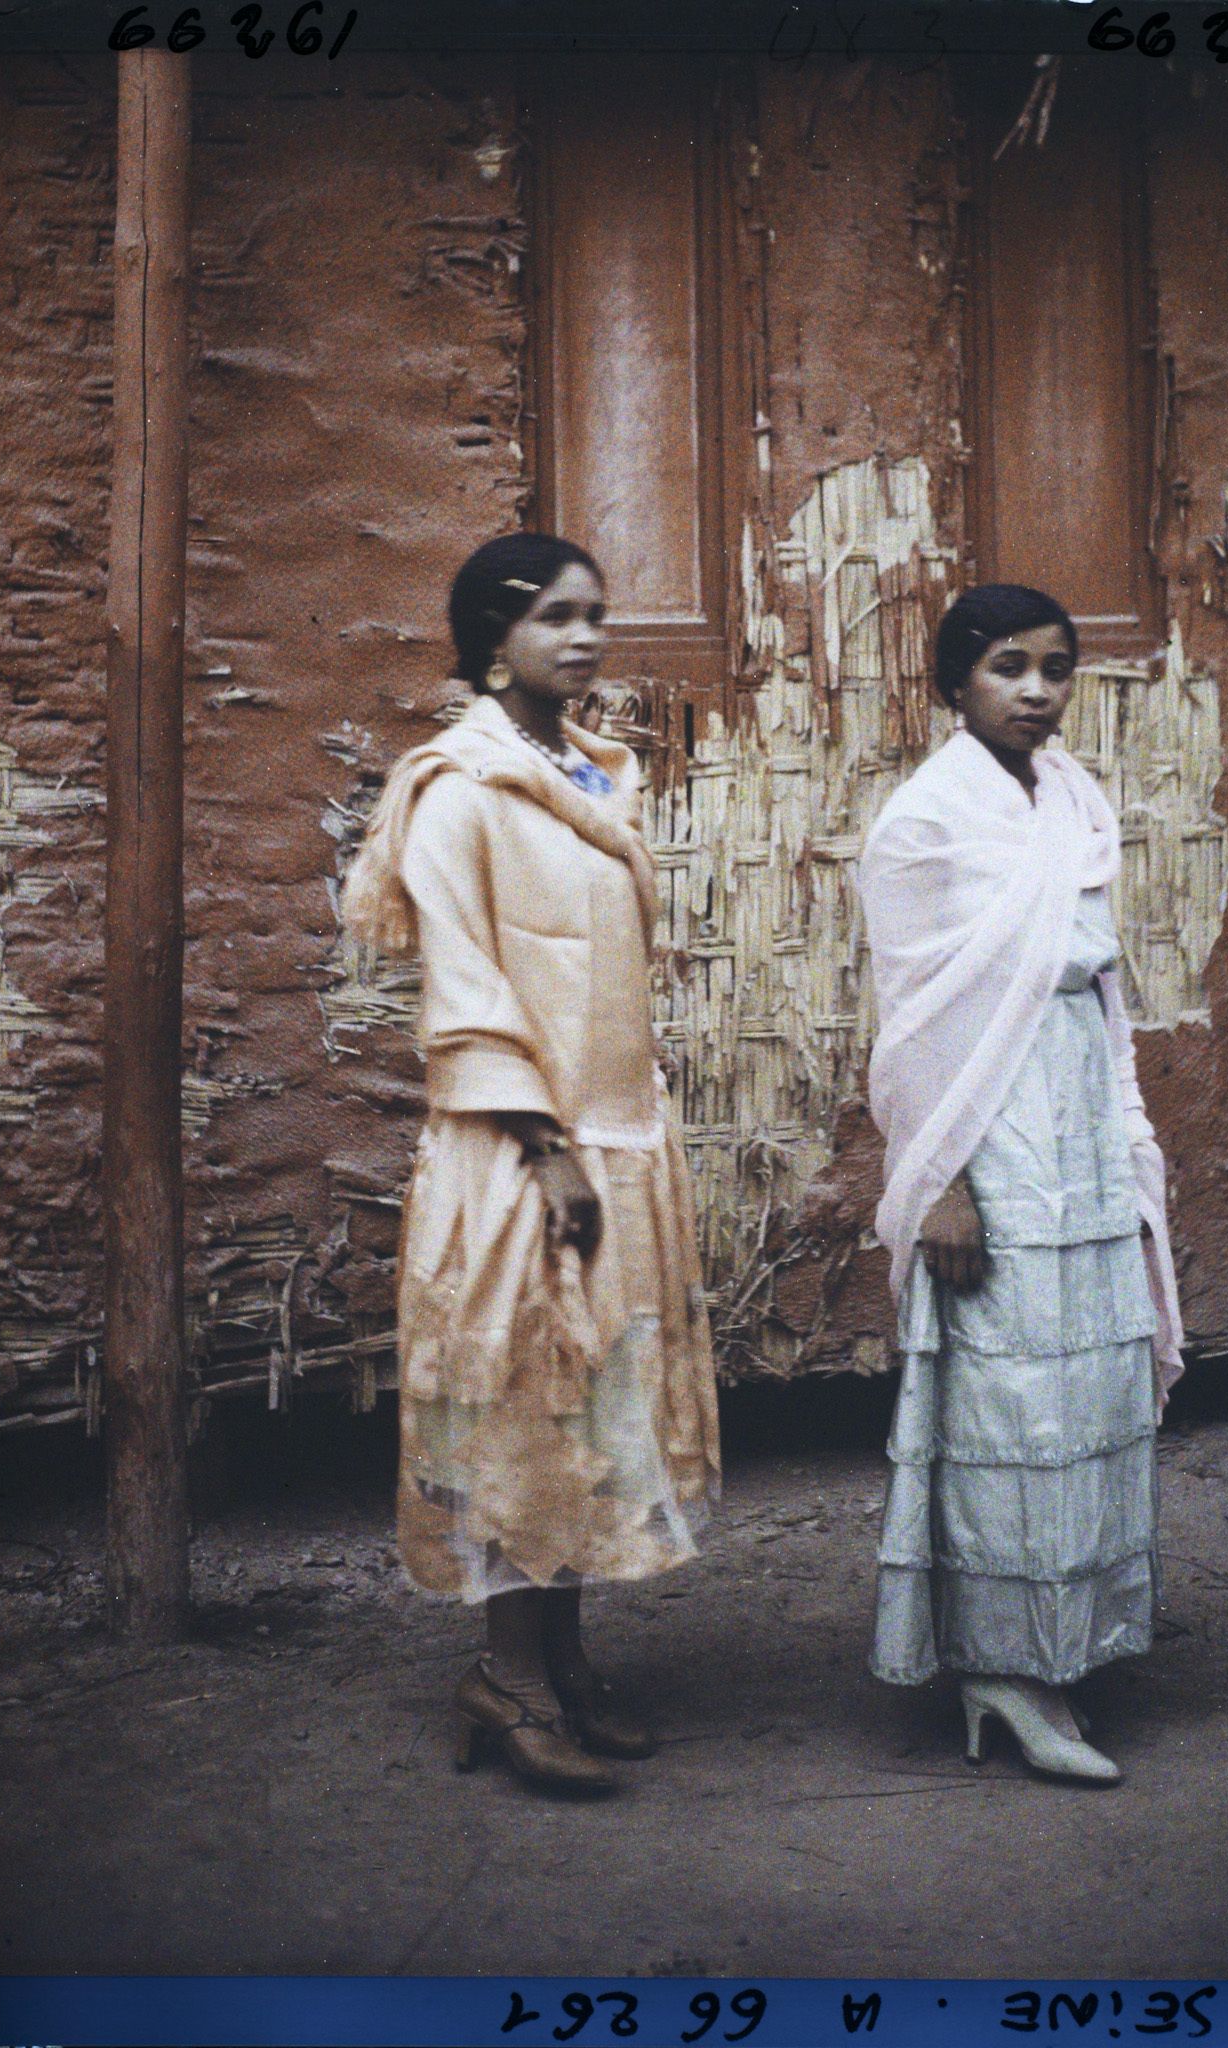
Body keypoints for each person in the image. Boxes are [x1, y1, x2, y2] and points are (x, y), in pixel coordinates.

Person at [342, 533, 720, 1796]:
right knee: (519, 1406)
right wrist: (546, 1148)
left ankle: (557, 1664)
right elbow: (466, 981)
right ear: (489, 636)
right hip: (519, 1154)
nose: (585, 636)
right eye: (553, 616)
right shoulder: (455, 788)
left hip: (611, 1138)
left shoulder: (592, 776)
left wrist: (609, 1140)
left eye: (594, 614)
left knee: (593, 1412)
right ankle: (501, 1678)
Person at [855, 583, 1184, 1785]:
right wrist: (938, 1177)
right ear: (953, 679)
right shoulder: (924, 821)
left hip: (1078, 1111)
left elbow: (1093, 985)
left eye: (1055, 668)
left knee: (1083, 1383)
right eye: (1007, 666)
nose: (1037, 690)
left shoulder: (1074, 802)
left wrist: (1123, 1131)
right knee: (1004, 1401)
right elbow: (915, 1018)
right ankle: (1000, 1663)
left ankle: (1059, 1643)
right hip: (984, 1126)